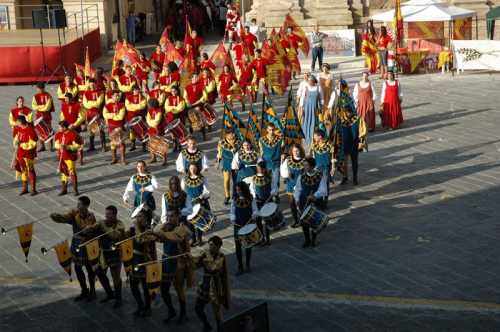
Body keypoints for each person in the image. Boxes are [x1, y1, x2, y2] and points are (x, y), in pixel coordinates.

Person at [49, 196, 98, 301]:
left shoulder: (91, 217)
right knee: (77, 268)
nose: (78, 206)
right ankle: (84, 290)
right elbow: (65, 218)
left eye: (80, 204)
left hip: (86, 243)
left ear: (86, 206)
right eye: (78, 204)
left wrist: (87, 230)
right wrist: (56, 217)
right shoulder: (74, 214)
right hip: (76, 243)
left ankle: (92, 290)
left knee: (89, 268)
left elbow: (90, 230)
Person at [152, 208, 193, 324]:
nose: (170, 219)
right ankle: (171, 310)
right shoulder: (166, 227)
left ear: (178, 216)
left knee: (179, 288)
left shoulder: (182, 228)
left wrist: (162, 232)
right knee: (164, 289)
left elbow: (175, 237)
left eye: (172, 216)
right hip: (166, 261)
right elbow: (155, 234)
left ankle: (183, 313)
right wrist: (162, 225)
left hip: (178, 262)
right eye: (168, 216)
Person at [82, 205, 125, 308]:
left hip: (115, 255)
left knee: (116, 277)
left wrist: (103, 226)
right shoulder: (102, 223)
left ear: (115, 215)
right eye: (106, 214)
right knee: (100, 273)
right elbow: (93, 229)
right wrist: (89, 228)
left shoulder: (120, 224)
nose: (107, 216)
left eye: (109, 214)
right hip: (103, 254)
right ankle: (110, 293)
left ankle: (118, 299)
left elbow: (114, 235)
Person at [332, 80, 368, 185]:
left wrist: (361, 142)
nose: (348, 114)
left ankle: (355, 177)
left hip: (354, 143)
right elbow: (336, 131)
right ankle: (345, 176)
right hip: (344, 143)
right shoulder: (341, 121)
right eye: (346, 112)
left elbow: (362, 132)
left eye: (349, 112)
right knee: (343, 161)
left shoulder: (357, 120)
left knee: (354, 161)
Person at [193, 235, 230, 332]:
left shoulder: (221, 256)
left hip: (216, 286)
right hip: (205, 284)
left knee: (217, 311)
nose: (210, 247)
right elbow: (196, 265)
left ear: (218, 246)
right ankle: (206, 325)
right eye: (209, 245)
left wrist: (206, 256)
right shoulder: (206, 254)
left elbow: (213, 268)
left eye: (212, 245)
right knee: (198, 308)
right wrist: (189, 258)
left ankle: (220, 328)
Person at [128, 209, 157, 317]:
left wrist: (136, 227)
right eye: (137, 216)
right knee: (133, 285)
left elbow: (140, 240)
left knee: (145, 286)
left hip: (145, 261)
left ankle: (148, 307)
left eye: (140, 216)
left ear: (146, 219)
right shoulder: (133, 229)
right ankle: (140, 305)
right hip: (134, 259)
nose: (137, 218)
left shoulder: (149, 230)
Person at [293, 157, 327, 248]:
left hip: (316, 201)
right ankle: (307, 239)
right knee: (304, 221)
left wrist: (315, 196)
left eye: (306, 165)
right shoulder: (302, 176)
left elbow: (323, 190)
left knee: (314, 221)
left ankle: (313, 240)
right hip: (304, 201)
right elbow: (298, 189)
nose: (305, 167)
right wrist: (296, 199)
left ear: (312, 166)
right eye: (304, 165)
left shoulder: (320, 175)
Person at [231, 181, 258, 275]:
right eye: (237, 190)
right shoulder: (234, 199)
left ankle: (247, 264)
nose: (238, 191)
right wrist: (233, 218)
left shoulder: (251, 198)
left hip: (248, 224)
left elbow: (255, 210)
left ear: (243, 189)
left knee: (248, 245)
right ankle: (240, 266)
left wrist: (254, 215)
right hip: (238, 225)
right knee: (238, 246)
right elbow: (232, 210)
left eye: (239, 190)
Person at [181, 163, 210, 247]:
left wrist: (202, 196)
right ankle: (193, 238)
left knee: (199, 220)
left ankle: (199, 238)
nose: (193, 170)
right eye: (191, 168)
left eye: (194, 168)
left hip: (199, 202)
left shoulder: (202, 178)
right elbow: (182, 190)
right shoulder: (184, 179)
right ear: (189, 169)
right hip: (189, 203)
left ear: (197, 169)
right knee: (190, 222)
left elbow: (206, 190)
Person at [250, 160, 276, 245]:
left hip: (267, 201)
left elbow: (274, 187)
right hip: (258, 202)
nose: (259, 170)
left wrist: (273, 192)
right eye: (258, 168)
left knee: (267, 220)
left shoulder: (269, 178)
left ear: (264, 169)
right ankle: (261, 238)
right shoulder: (254, 178)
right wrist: (254, 196)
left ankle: (267, 238)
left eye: (260, 168)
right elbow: (252, 189)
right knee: (258, 221)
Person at [54, 121, 83, 196]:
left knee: (72, 172)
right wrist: (59, 146)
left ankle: (75, 190)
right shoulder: (59, 134)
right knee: (63, 172)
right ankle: (64, 189)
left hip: (70, 157)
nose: (58, 129)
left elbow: (77, 146)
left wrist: (67, 147)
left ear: (64, 127)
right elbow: (56, 144)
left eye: (60, 127)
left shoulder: (73, 134)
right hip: (62, 156)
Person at [280, 143, 305, 227]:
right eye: (294, 151)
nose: (296, 152)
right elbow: (283, 171)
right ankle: (295, 220)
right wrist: (287, 175)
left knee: (300, 203)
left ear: (300, 151)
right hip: (291, 184)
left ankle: (302, 219)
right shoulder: (288, 160)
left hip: (300, 185)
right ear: (291, 151)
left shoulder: (304, 161)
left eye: (297, 151)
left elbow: (306, 173)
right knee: (292, 203)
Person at [13, 116, 38, 196]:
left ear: (21, 122)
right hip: (20, 153)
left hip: (28, 154)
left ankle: (33, 189)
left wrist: (22, 144)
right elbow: (16, 138)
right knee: (23, 169)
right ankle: (25, 188)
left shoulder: (31, 130)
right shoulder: (19, 129)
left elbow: (33, 144)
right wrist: (16, 143)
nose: (16, 123)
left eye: (17, 121)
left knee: (30, 170)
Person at [103, 90, 127, 165]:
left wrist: (111, 116)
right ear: (112, 96)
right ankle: (114, 158)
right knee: (112, 142)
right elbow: (105, 115)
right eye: (115, 96)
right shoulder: (107, 105)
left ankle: (123, 159)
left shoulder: (122, 105)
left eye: (118, 96)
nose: (117, 97)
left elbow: (120, 117)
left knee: (121, 142)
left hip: (119, 126)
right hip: (111, 126)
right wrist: (114, 114)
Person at [217, 130, 240, 205]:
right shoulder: (221, 142)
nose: (233, 135)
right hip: (226, 163)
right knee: (226, 180)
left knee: (235, 180)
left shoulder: (239, 141)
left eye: (233, 133)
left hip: (236, 164)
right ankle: (227, 196)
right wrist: (218, 161)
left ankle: (234, 195)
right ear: (226, 135)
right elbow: (219, 152)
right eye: (231, 134)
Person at [60, 94, 85, 164]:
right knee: (68, 143)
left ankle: (81, 159)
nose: (66, 100)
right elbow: (62, 115)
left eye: (67, 99)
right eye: (65, 99)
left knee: (78, 142)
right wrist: (63, 125)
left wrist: (74, 125)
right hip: (67, 127)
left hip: (75, 127)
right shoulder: (64, 105)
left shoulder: (77, 105)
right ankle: (70, 157)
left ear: (71, 99)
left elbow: (82, 117)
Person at [259, 123, 283, 196]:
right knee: (267, 180)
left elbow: (283, 149)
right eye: (270, 130)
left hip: (276, 162)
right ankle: (269, 194)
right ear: (267, 130)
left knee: (276, 180)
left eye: (273, 130)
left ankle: (275, 195)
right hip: (266, 163)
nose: (271, 132)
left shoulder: (279, 139)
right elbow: (261, 151)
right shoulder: (262, 139)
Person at [298, 75, 321, 149]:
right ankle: (306, 138)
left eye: (311, 80)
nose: (309, 82)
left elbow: (321, 98)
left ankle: (313, 137)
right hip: (307, 108)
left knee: (314, 123)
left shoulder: (318, 88)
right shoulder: (306, 88)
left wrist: (321, 107)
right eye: (308, 80)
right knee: (306, 122)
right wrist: (302, 107)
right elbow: (303, 98)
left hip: (314, 108)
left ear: (314, 81)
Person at [83, 79, 107, 152]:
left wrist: (90, 103)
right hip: (89, 114)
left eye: (93, 84)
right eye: (90, 84)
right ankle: (92, 146)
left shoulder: (100, 92)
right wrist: (93, 103)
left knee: (101, 130)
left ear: (95, 84)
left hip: (98, 114)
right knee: (91, 131)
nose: (92, 85)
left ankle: (103, 146)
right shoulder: (86, 93)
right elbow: (85, 104)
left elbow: (98, 103)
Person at [184, 73, 208, 140]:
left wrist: (198, 102)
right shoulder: (187, 87)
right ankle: (191, 136)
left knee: (201, 121)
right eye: (194, 77)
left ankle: (204, 135)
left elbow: (205, 96)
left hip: (199, 105)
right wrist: (188, 102)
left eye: (196, 77)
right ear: (191, 78)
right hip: (190, 106)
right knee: (191, 121)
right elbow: (185, 96)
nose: (195, 79)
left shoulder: (202, 85)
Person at [32, 82, 55, 152]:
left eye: (41, 88)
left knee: (49, 130)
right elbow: (33, 106)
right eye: (39, 89)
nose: (40, 90)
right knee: (39, 130)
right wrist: (42, 107)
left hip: (46, 115)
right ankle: (42, 146)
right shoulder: (35, 96)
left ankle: (50, 146)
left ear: (43, 88)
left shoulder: (48, 95)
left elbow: (47, 108)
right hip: (39, 115)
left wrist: (39, 107)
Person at [125, 85, 148, 152]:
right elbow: (128, 107)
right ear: (133, 91)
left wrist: (133, 106)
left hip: (140, 116)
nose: (136, 91)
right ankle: (133, 144)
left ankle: (144, 145)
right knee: (132, 131)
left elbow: (142, 106)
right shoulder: (128, 98)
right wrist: (138, 106)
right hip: (131, 117)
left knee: (142, 130)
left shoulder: (143, 97)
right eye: (135, 90)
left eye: (137, 90)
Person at [146, 99, 168, 165]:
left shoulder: (159, 110)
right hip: (151, 128)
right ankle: (153, 158)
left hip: (158, 129)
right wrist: (151, 124)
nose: (148, 105)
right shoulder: (149, 110)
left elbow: (157, 121)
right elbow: (148, 119)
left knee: (161, 145)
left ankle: (164, 159)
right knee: (151, 144)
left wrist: (151, 123)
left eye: (149, 104)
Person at [318, 64, 335, 133]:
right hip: (322, 93)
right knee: (322, 108)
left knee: (328, 108)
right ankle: (321, 122)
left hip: (329, 94)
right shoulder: (319, 75)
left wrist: (334, 94)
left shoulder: (331, 75)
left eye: (326, 68)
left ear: (328, 69)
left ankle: (328, 122)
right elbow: (317, 85)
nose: (325, 69)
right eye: (323, 68)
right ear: (322, 69)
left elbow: (333, 85)